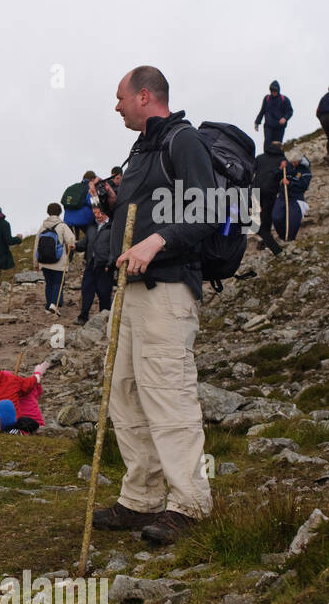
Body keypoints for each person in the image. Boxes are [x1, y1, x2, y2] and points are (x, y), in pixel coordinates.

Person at [92, 65, 217, 546]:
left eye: (120, 97)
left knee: (167, 392)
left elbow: (208, 208)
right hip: (131, 291)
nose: (116, 105)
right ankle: (140, 497)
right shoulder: (142, 147)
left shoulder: (182, 141)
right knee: (125, 392)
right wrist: (119, 200)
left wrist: (156, 241)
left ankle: (190, 504)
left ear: (145, 95)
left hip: (166, 290)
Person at [75, 190, 114, 324]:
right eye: (95, 213)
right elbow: (84, 244)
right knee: (86, 290)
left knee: (104, 293)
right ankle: (83, 317)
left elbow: (114, 249)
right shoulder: (91, 228)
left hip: (105, 266)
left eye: (100, 213)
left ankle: (105, 319)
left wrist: (110, 264)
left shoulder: (112, 227)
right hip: (91, 263)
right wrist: (75, 246)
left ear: (105, 213)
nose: (97, 216)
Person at [33, 202, 76, 313]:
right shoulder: (62, 226)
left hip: (44, 261)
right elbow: (71, 240)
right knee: (58, 283)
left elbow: (36, 246)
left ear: (48, 212)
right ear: (60, 212)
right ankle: (54, 304)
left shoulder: (42, 227)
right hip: (58, 261)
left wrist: (36, 264)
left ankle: (49, 306)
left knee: (49, 283)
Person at [250, 141, 286, 255]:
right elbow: (282, 175)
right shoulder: (282, 159)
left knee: (259, 216)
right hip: (270, 191)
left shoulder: (260, 157)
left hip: (256, 190)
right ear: (280, 148)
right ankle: (274, 247)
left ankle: (264, 240)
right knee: (266, 218)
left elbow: (251, 171)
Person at [272, 156, 312, 240]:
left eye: (295, 162)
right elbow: (275, 176)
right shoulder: (287, 166)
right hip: (283, 196)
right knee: (276, 217)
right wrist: (280, 168)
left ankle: (290, 239)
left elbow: (304, 186)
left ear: (300, 160)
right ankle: (282, 236)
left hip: (296, 198)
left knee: (293, 221)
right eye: (292, 162)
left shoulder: (305, 170)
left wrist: (290, 183)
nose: (293, 164)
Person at [254, 80, 293, 147]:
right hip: (268, 126)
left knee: (277, 146)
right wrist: (257, 122)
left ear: (278, 90)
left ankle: (276, 157)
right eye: (272, 90)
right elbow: (262, 111)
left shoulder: (284, 99)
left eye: (275, 90)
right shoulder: (267, 99)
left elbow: (290, 111)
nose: (273, 92)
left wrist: (285, 118)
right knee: (267, 144)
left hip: (279, 127)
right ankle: (266, 157)